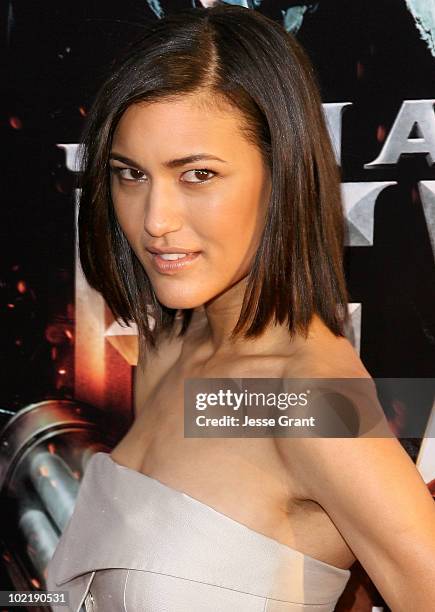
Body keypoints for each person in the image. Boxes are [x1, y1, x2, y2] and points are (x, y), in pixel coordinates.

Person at [46, 3, 435, 611]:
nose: (155, 221)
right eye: (130, 174)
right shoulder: (174, 352)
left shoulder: (301, 400)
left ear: (281, 173)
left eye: (197, 174)